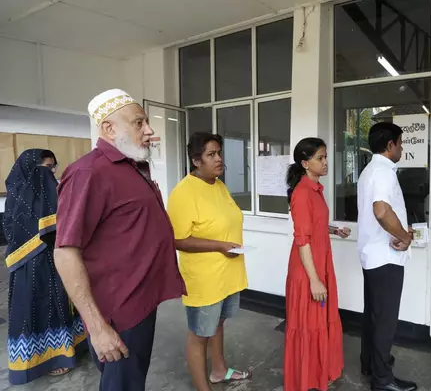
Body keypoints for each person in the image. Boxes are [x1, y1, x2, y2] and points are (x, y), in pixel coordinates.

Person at [53, 89, 185, 391]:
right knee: (122, 384)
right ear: (109, 129)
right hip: (118, 312)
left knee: (131, 380)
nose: (149, 130)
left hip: (141, 300)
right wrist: (98, 328)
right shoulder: (89, 172)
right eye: (139, 123)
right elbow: (65, 253)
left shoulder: (133, 166)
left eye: (147, 122)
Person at [167, 132, 251, 390]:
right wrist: (219, 246)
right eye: (211, 155)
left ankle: (218, 370)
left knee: (218, 324)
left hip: (226, 274)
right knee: (200, 333)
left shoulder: (218, 184)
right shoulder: (184, 192)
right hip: (204, 279)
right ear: (196, 160)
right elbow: (177, 240)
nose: (219, 159)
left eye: (219, 153)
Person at [3, 149, 86, 385]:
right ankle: (51, 358)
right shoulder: (27, 190)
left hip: (40, 258)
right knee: (42, 305)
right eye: (47, 168)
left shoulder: (26, 190)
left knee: (58, 302)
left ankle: (65, 349)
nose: (51, 173)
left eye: (53, 168)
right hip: (34, 263)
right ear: (33, 169)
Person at [283, 137, 350, 391]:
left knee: (320, 321)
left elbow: (314, 227)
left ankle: (318, 371)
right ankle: (306, 377)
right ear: (304, 163)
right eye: (320, 158)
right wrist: (314, 280)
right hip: (307, 270)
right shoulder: (301, 193)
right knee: (308, 324)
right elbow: (302, 240)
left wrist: (333, 230)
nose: (325, 162)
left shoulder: (316, 189)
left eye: (325, 157)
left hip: (320, 263)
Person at [357, 122, 417, 391]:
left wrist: (404, 228)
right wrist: (404, 236)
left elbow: (381, 211)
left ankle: (370, 365)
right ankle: (382, 380)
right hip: (386, 258)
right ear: (390, 145)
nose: (402, 148)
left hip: (373, 256)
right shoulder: (383, 171)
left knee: (374, 315)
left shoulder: (370, 170)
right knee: (385, 321)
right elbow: (381, 211)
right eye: (401, 143)